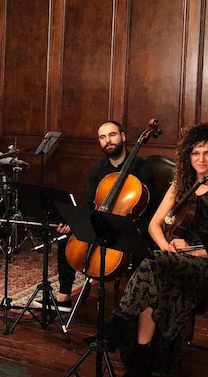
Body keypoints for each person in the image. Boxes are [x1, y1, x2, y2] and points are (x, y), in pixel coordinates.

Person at [117, 123, 208, 377]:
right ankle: (142, 357)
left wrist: (193, 252)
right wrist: (167, 247)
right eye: (195, 153)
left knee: (154, 267)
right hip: (175, 260)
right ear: (188, 155)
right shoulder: (181, 186)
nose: (201, 159)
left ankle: (119, 325)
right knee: (156, 274)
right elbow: (154, 224)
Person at [43, 120, 156, 312]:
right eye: (102, 137)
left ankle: (133, 304)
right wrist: (74, 222)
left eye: (112, 135)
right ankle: (64, 295)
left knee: (140, 251)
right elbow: (89, 202)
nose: (107, 141)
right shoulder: (98, 168)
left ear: (123, 137)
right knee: (66, 239)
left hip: (126, 227)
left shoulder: (140, 167)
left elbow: (151, 207)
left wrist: (137, 229)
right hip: (100, 222)